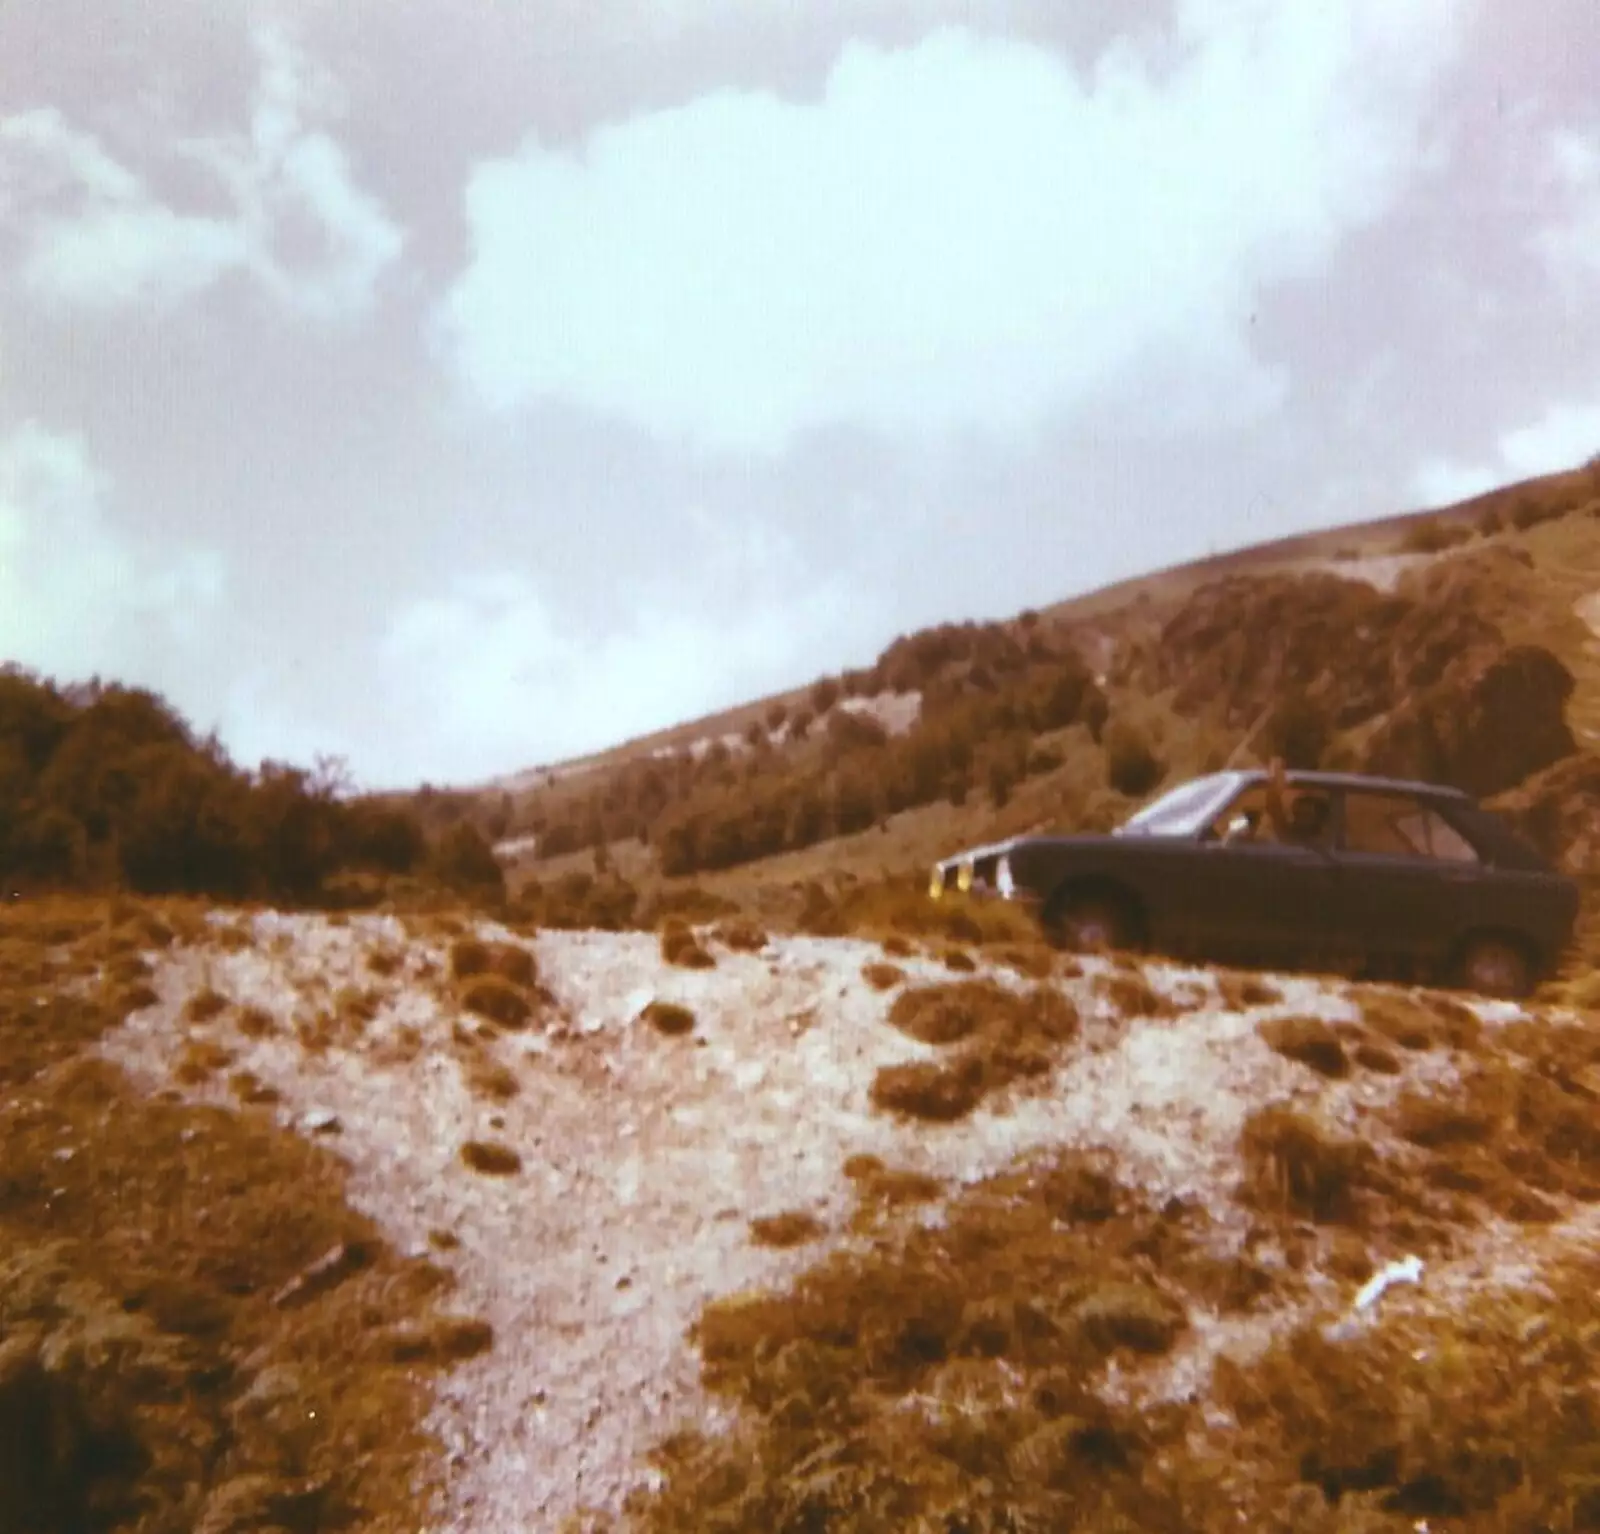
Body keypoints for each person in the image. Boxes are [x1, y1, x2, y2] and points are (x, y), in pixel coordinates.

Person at [1262, 756, 1330, 845]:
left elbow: (1274, 807)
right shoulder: (1288, 834)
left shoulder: (1322, 843)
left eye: (1305, 813)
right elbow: (1274, 808)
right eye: (1300, 812)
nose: (1300, 813)